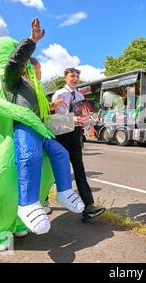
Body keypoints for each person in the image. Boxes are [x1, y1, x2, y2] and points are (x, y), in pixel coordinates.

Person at [3, 18, 84, 234]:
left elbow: (44, 116)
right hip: (24, 125)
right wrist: (32, 41)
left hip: (40, 128)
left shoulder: (37, 90)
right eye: (39, 70)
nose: (41, 74)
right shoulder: (14, 81)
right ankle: (27, 203)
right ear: (29, 69)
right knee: (31, 156)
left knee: (60, 153)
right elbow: (13, 64)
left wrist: (67, 117)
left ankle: (64, 191)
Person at [51, 67, 106, 222]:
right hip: (60, 135)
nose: (75, 79)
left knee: (79, 170)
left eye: (77, 76)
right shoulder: (59, 94)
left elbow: (82, 115)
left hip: (75, 135)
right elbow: (53, 119)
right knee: (54, 171)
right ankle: (43, 200)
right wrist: (70, 119)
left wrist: (87, 118)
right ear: (65, 78)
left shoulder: (81, 96)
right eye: (72, 76)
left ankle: (88, 207)